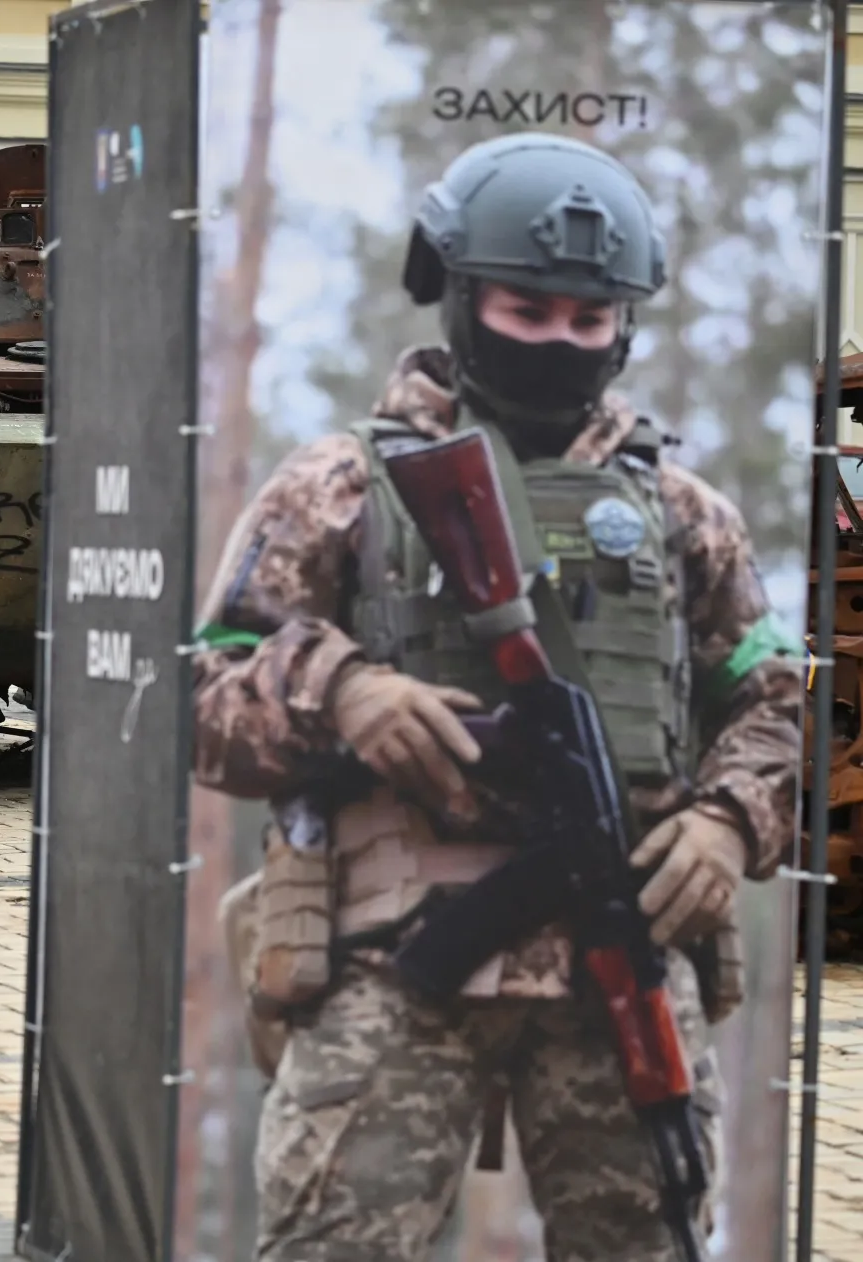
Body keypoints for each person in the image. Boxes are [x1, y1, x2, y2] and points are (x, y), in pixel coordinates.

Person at [194, 132, 800, 1261]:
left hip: (619, 954)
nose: (561, 341)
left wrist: (728, 819)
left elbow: (773, 701)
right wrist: (342, 687)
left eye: (589, 319)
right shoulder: (338, 485)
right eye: (528, 311)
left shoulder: (681, 510)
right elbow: (206, 695)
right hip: (391, 963)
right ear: (457, 296)